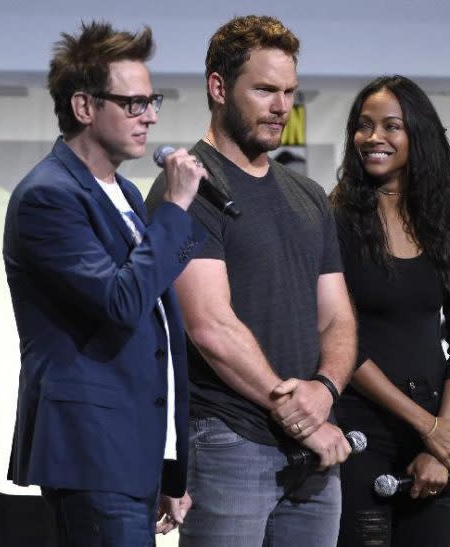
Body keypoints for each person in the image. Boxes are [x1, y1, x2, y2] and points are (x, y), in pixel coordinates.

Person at [145, 15, 357, 547]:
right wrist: (300, 413)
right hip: (228, 441)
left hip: (312, 452)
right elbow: (209, 325)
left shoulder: (308, 194)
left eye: (288, 91)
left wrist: (325, 390)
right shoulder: (188, 186)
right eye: (264, 89)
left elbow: (337, 317)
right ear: (218, 87)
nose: (281, 105)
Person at [3, 21, 207, 546]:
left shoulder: (127, 196)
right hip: (91, 454)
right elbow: (121, 302)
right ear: (84, 107)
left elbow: (157, 306)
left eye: (152, 101)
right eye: (134, 104)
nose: (152, 117)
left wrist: (164, 466)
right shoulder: (48, 197)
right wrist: (177, 207)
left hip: (131, 455)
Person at [329, 76, 450, 547]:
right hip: (361, 433)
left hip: (436, 435)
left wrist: (443, 441)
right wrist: (427, 426)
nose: (374, 137)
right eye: (364, 125)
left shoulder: (446, 223)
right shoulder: (334, 219)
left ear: (417, 136)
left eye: (391, 126)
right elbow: (340, 345)